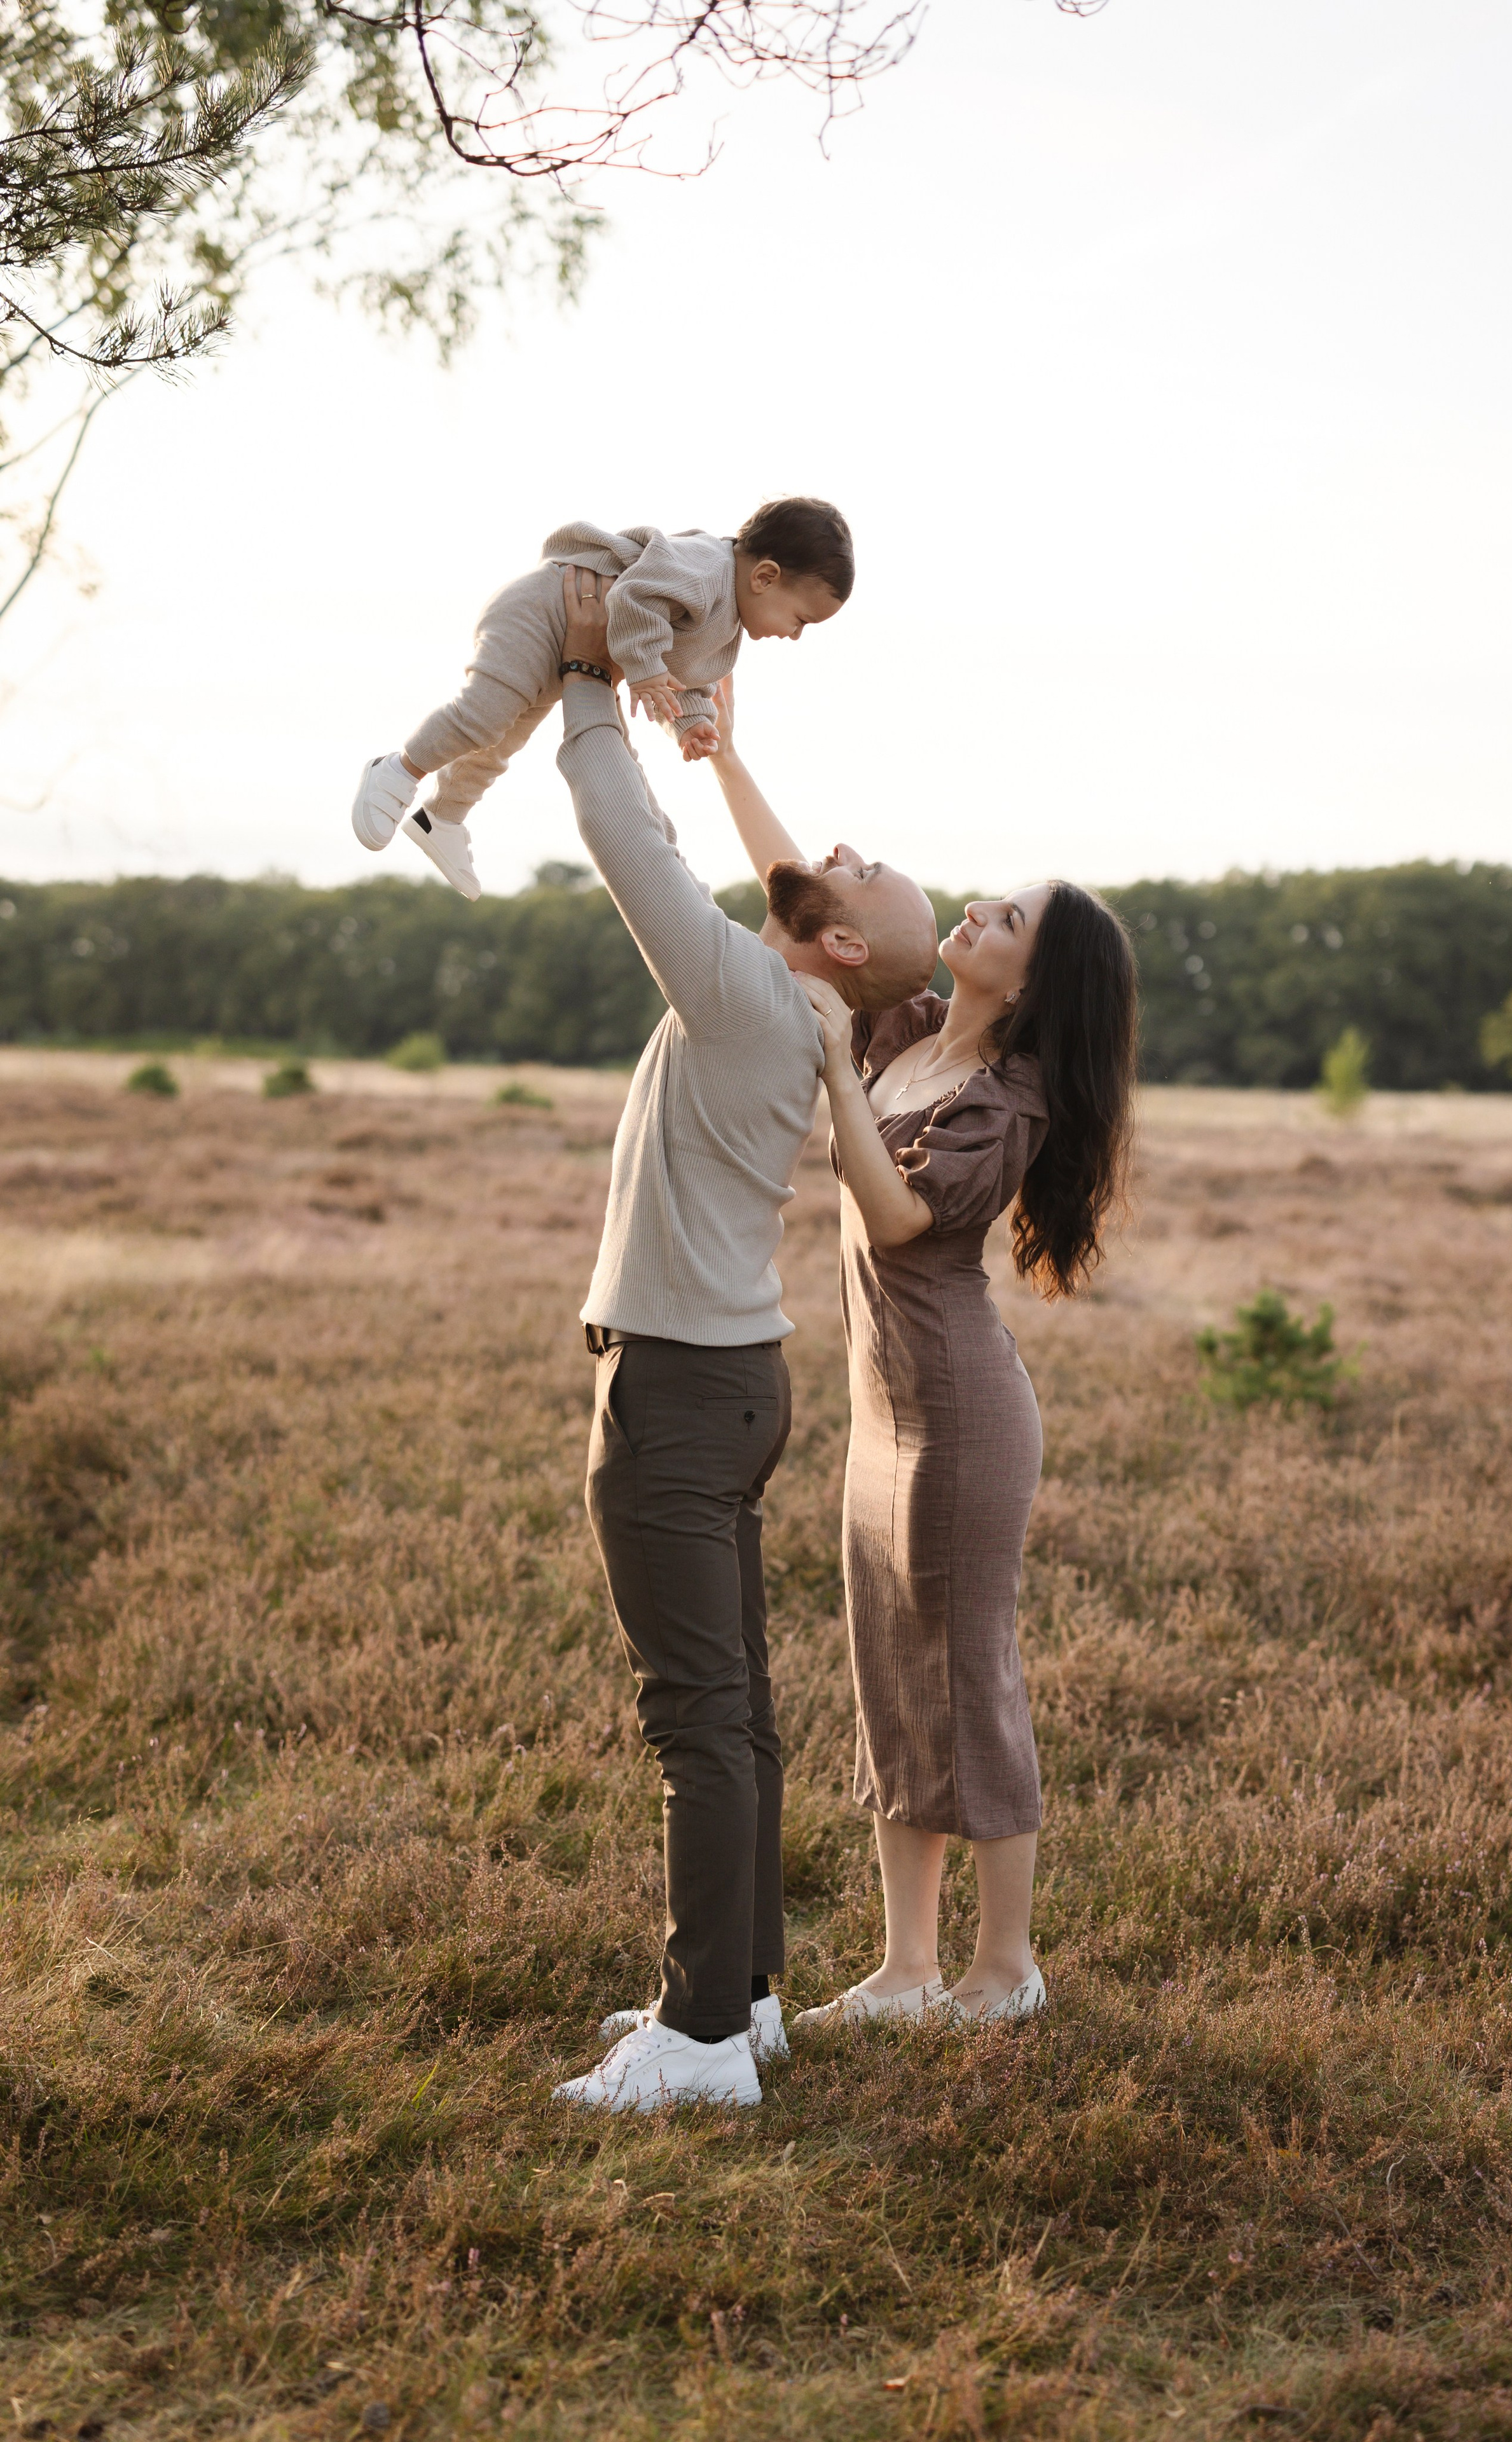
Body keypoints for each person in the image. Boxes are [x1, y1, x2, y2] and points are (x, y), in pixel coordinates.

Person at [545, 570, 940, 2113]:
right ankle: (746, 1992)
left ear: (840, 942)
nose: (830, 853)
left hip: (682, 1385)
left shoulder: (740, 994)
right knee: (740, 1713)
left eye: (859, 871)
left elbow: (616, 833)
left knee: (695, 1718)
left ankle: (701, 2040)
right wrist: (711, 726)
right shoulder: (794, 1009)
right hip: (731, 1378)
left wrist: (583, 672)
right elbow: (728, 849)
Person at [717, 754, 1138, 2028]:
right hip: (881, 1416)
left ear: (1031, 980)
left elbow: (898, 1221)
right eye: (990, 902)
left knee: (968, 1682)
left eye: (1004, 922)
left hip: (958, 1418)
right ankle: (906, 1969)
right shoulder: (903, 1031)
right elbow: (803, 907)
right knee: (889, 1683)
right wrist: (722, 752)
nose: (973, 913)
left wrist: (832, 1070)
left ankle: (1002, 1970)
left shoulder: (1005, 1099)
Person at [350, 498, 854, 902]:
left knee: (503, 741)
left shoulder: (727, 634)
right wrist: (646, 668)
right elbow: (634, 597)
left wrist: (690, 724)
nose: (795, 636)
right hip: (545, 611)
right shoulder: (706, 568)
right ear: (764, 577)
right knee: (483, 718)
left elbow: (689, 683)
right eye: (801, 620)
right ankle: (400, 769)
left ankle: (443, 815)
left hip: (571, 643)